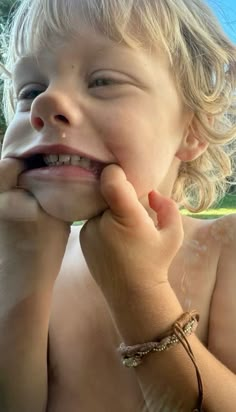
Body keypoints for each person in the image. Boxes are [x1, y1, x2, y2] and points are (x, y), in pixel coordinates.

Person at [0, 0, 236, 411]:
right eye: (31, 90)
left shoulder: (226, 248)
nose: (45, 104)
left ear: (192, 129)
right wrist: (21, 271)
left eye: (103, 81)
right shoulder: (33, 258)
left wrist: (138, 293)